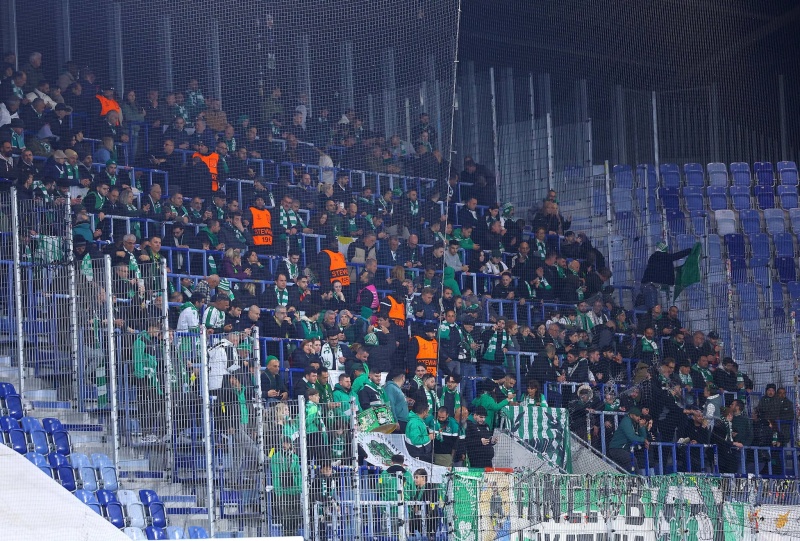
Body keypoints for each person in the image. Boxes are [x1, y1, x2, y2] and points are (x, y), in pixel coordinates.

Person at [607, 407, 649, 472]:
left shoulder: (634, 422)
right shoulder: (626, 421)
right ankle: (637, 477)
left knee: (622, 470)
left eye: (639, 416)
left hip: (623, 449)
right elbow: (631, 437)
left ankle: (630, 478)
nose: (639, 418)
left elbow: (643, 437)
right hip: (617, 449)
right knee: (632, 460)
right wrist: (644, 440)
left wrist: (641, 427)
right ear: (631, 415)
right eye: (637, 416)